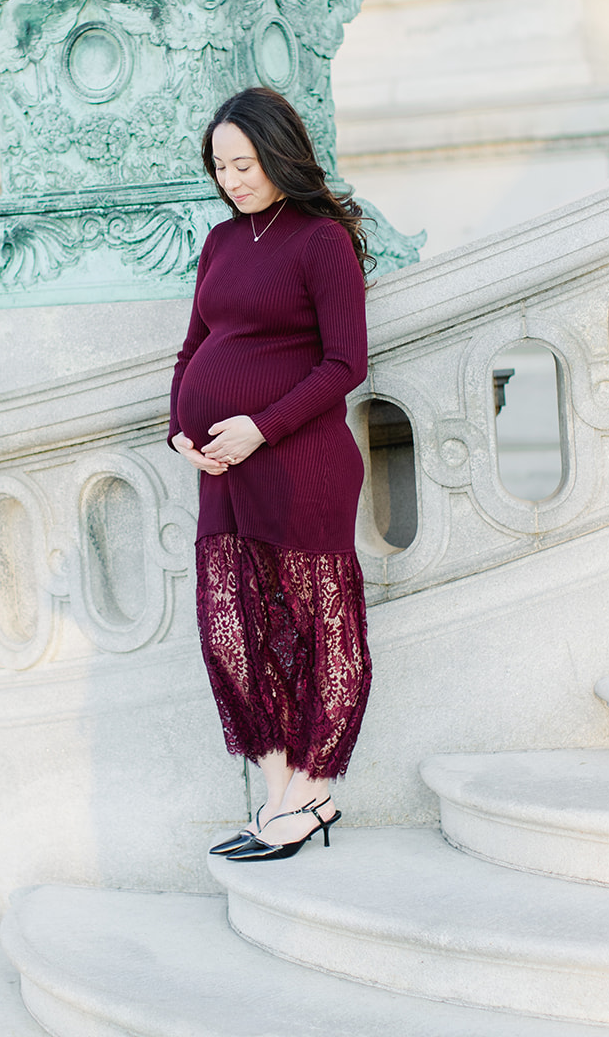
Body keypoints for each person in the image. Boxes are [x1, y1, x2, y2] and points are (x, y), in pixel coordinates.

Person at [168, 86, 373, 862]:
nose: (232, 179)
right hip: (220, 468)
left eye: (244, 163)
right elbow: (193, 350)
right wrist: (178, 434)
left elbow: (344, 363)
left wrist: (260, 427)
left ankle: (312, 793)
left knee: (316, 626)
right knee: (236, 631)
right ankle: (277, 787)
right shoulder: (220, 243)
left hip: (300, 463)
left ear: (279, 154)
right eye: (220, 167)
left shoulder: (320, 241)